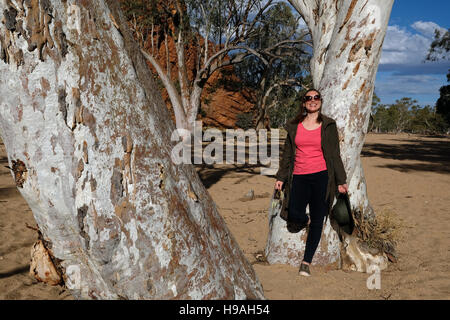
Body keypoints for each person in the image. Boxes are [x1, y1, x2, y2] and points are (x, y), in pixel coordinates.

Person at [274, 88, 348, 277]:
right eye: (309, 98)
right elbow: (288, 155)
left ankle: (306, 262)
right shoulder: (294, 126)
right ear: (304, 102)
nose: (312, 101)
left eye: (316, 98)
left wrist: (341, 180)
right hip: (298, 176)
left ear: (320, 101)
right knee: (294, 213)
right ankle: (304, 220)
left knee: (318, 220)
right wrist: (281, 177)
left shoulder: (328, 125)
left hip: (322, 177)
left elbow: (334, 155)